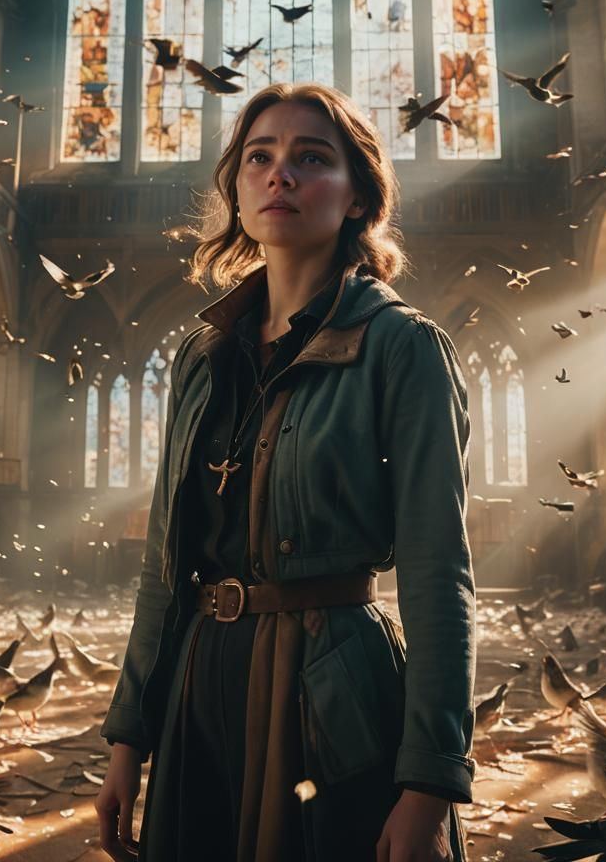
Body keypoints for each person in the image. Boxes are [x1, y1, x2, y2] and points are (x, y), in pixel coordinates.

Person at [95, 83, 475, 862]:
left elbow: (439, 574)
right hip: (201, 692)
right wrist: (129, 741)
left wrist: (431, 782)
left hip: (334, 697)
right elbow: (164, 566)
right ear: (237, 189)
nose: (281, 175)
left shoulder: (402, 348)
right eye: (259, 158)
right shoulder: (201, 355)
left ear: (358, 196)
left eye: (312, 158)